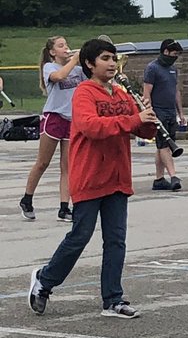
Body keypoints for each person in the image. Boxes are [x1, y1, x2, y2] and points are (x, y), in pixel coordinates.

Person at [27, 39, 158, 319]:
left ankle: (113, 300)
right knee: (80, 236)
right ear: (89, 63)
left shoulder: (122, 94)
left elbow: (144, 133)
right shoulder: (84, 93)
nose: (112, 63)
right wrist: (134, 121)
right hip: (89, 176)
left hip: (118, 177)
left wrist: (148, 118)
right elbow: (91, 127)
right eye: (105, 59)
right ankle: (44, 280)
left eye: (113, 59)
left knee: (116, 240)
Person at [20, 35, 84, 222]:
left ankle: (64, 207)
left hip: (71, 120)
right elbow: (60, 76)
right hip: (53, 118)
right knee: (43, 162)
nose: (66, 48)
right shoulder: (50, 67)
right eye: (61, 46)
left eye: (67, 45)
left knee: (67, 166)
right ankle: (27, 198)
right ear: (52, 52)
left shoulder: (78, 70)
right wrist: (74, 60)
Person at [142, 39, 185, 192]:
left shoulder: (173, 69)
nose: (175, 57)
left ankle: (159, 179)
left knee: (163, 146)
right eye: (174, 54)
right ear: (165, 52)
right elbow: (147, 91)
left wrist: (181, 112)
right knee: (164, 144)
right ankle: (173, 176)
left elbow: (175, 91)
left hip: (170, 112)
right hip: (158, 111)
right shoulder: (152, 68)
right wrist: (149, 110)